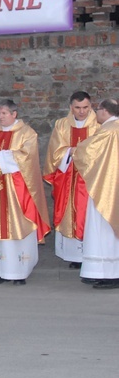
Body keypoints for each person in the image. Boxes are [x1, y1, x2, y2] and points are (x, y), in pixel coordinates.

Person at [0, 99, 50, 285]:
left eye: (4, 113)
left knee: (17, 226)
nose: (0, 117)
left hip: (16, 191)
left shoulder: (27, 133)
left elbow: (27, 157)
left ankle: (19, 272)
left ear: (14, 114)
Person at [43, 91, 98, 267]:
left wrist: (81, 152)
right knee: (69, 213)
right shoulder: (62, 125)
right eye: (78, 108)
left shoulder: (99, 125)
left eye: (85, 108)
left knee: (89, 215)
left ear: (91, 106)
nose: (82, 112)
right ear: (71, 107)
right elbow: (55, 151)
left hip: (91, 180)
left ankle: (91, 254)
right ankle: (75, 257)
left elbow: (103, 151)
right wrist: (70, 151)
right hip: (67, 178)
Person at [73, 99, 119, 288]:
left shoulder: (109, 130)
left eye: (97, 110)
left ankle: (111, 273)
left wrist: (76, 150)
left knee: (104, 229)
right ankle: (102, 271)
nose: (95, 113)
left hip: (106, 187)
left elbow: (85, 152)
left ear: (105, 111)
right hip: (110, 184)